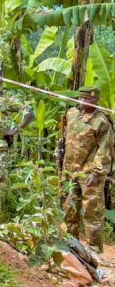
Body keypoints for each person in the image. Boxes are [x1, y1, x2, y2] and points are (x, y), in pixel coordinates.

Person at [61, 85, 112, 252]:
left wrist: (97, 173)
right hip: (70, 171)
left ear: (96, 101)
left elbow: (105, 149)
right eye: (81, 98)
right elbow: (64, 139)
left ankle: (94, 248)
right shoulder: (71, 114)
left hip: (89, 172)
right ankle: (71, 243)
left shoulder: (102, 121)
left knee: (92, 211)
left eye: (88, 100)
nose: (83, 102)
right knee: (69, 208)